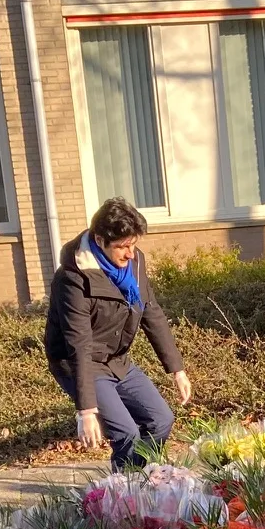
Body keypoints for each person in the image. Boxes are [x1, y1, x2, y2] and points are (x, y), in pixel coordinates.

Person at [43, 197, 192, 468]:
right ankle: (125, 487)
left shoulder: (135, 263)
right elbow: (79, 343)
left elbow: (151, 312)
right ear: (100, 240)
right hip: (81, 363)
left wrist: (177, 369)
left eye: (133, 244)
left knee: (161, 420)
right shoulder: (73, 279)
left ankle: (142, 476)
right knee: (126, 433)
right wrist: (86, 410)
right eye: (122, 247)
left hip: (117, 360)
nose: (130, 254)